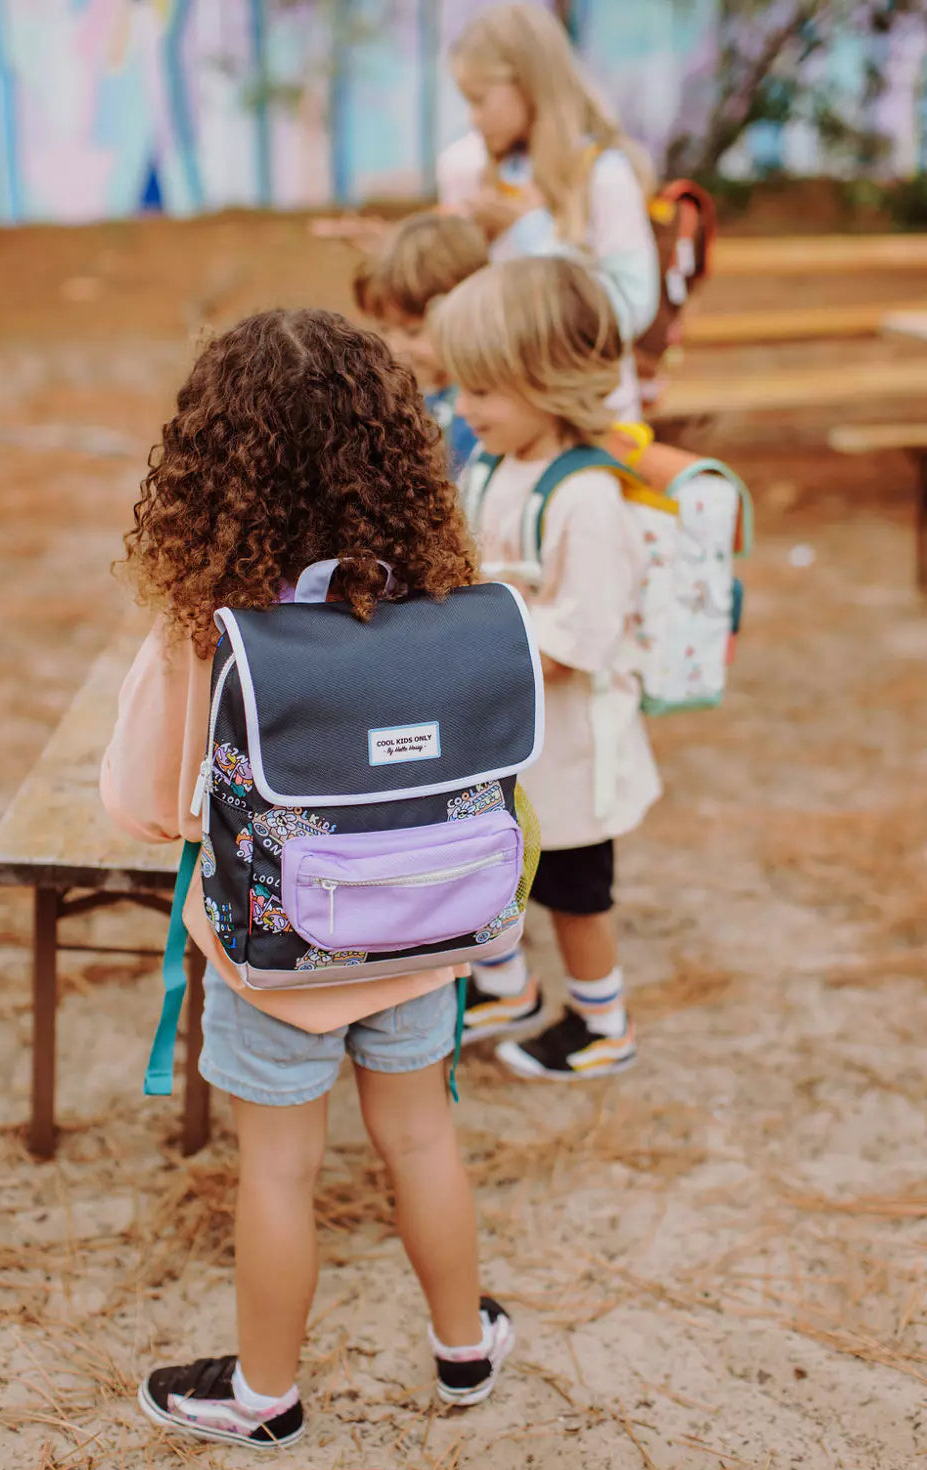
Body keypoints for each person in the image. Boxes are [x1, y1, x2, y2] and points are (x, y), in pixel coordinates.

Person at [100, 310, 514, 1452]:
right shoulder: (440, 607)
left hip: (279, 955)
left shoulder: (214, 630)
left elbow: (143, 801)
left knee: (277, 1171)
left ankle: (264, 1397)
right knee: (423, 1139)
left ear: (209, 465)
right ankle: (462, 1350)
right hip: (429, 930)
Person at [430, 255, 661, 1081]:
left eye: (482, 392)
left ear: (550, 381)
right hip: (505, 737)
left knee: (571, 890)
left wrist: (472, 642)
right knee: (494, 867)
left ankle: (602, 1022)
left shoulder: (586, 500)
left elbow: (573, 646)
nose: (462, 409)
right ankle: (506, 986)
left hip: (564, 751)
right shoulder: (495, 465)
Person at [438, 2, 659, 422]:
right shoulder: (471, 169)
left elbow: (631, 306)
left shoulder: (603, 176)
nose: (473, 118)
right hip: (504, 420)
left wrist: (530, 232)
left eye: (480, 100)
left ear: (529, 83)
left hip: (589, 422)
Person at [353, 211, 488, 477]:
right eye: (384, 329)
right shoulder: (420, 397)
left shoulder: (482, 412)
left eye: (413, 332)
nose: (395, 347)